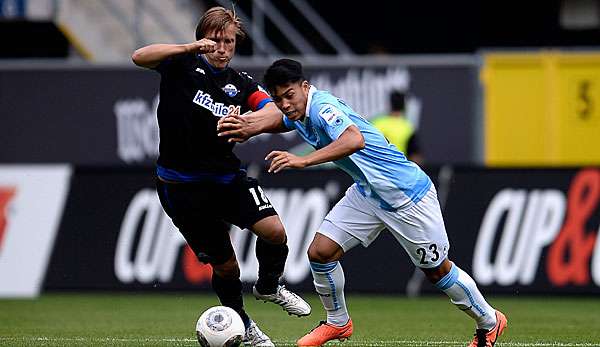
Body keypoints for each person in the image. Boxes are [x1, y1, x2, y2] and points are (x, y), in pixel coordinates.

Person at [217, 59, 507, 347]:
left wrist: (303, 160)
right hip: (369, 193)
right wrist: (248, 126)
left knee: (437, 271)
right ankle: (338, 323)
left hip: (405, 195)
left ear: (305, 87)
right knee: (320, 252)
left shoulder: (322, 108)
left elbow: (354, 140)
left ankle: (490, 322)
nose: (285, 103)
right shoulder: (297, 110)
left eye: (289, 95)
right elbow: (280, 119)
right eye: (278, 99)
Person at [131, 9, 311, 347]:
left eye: (229, 41)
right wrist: (187, 47)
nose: (223, 47)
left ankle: (270, 285)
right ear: (203, 39)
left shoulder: (239, 83)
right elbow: (139, 56)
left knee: (275, 232)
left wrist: (250, 124)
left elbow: (272, 109)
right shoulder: (179, 66)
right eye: (216, 40)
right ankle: (244, 325)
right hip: (181, 187)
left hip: (225, 179)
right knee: (226, 266)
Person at [371, 90, 424, 165]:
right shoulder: (407, 127)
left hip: (378, 167)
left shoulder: (377, 123)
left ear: (390, 104)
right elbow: (415, 156)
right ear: (404, 106)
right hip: (398, 168)